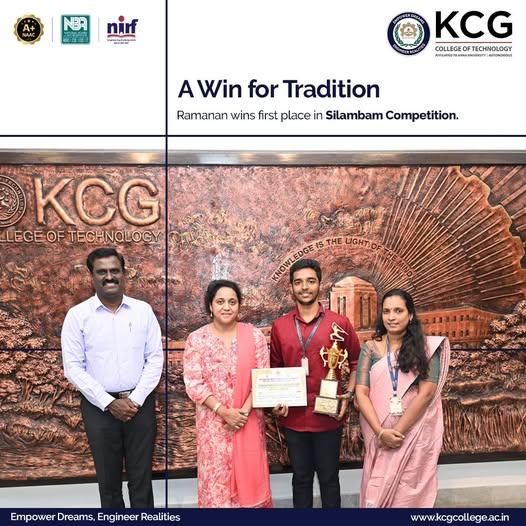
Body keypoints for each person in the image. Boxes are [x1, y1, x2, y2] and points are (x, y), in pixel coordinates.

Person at [61, 247, 163, 508]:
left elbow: (154, 359)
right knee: (108, 484)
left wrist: (135, 400)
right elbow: (73, 367)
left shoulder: (142, 311)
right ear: (92, 276)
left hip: (140, 406)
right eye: (102, 272)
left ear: (124, 273)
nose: (109, 277)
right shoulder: (77, 316)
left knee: (142, 482)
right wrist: (108, 402)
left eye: (114, 270)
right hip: (99, 409)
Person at [183, 279, 285, 508]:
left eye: (232, 302)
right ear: (210, 306)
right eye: (220, 302)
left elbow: (262, 378)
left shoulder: (254, 336)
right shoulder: (196, 339)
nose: (226, 307)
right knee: (217, 488)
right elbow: (194, 383)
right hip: (213, 428)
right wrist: (223, 412)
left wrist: (242, 413)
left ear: (239, 306)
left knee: (249, 483)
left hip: (247, 421)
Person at [270, 258, 361, 508]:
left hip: (328, 414)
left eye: (310, 281)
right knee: (300, 478)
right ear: (291, 287)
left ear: (320, 284)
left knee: (329, 478)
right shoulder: (280, 326)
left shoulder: (339, 323)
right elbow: (275, 369)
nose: (304, 287)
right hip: (293, 416)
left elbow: (357, 362)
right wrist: (276, 400)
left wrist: (349, 394)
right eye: (298, 282)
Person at [355, 288, 450, 508]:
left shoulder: (426, 349)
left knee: (407, 492)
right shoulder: (370, 348)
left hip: (412, 434)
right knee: (377, 485)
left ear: (410, 314)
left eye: (398, 311)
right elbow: (361, 392)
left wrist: (397, 432)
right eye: (386, 311)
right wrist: (381, 433)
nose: (391, 317)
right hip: (377, 433)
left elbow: (426, 393)